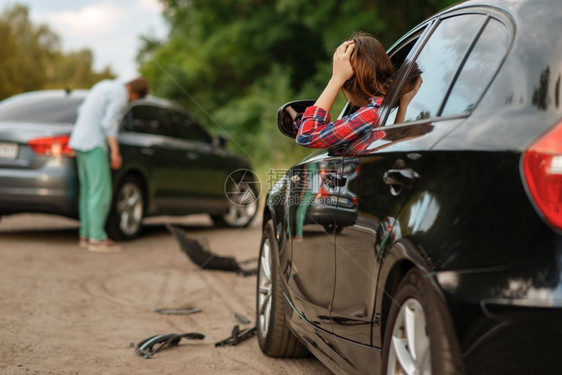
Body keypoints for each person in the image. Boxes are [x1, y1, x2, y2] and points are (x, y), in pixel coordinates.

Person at [294, 32, 422, 149]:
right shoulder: (385, 108)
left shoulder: (370, 114)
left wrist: (336, 79)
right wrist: (403, 105)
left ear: (348, 85)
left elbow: (307, 136)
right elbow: (393, 144)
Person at [69, 78, 149, 252]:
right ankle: (97, 238)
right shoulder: (120, 95)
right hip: (94, 143)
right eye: (134, 99)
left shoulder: (103, 85)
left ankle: (86, 234)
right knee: (101, 192)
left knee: (88, 192)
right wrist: (115, 152)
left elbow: (81, 110)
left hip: (78, 141)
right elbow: (109, 124)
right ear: (134, 94)